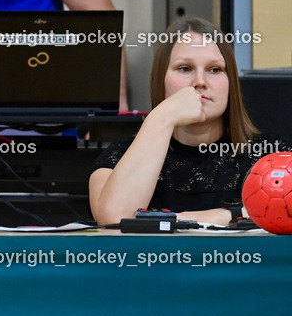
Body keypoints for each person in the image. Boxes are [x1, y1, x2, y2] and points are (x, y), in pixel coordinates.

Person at [88, 18, 290, 226]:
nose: (200, 82)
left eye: (215, 69)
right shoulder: (118, 156)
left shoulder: (269, 154)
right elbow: (114, 218)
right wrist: (162, 117)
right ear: (160, 79)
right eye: (185, 68)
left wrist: (217, 216)